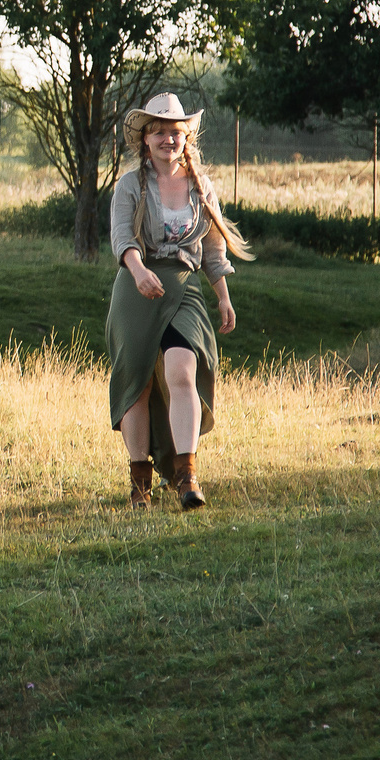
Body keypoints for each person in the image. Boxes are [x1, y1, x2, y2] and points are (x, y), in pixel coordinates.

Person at [105, 92, 252, 510]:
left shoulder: (201, 187)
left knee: (182, 369)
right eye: (161, 132)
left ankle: (187, 476)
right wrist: (138, 271)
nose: (170, 139)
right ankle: (140, 485)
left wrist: (223, 296)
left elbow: (212, 249)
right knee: (137, 381)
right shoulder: (129, 185)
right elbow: (121, 238)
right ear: (146, 139)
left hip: (183, 286)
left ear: (186, 138)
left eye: (177, 132)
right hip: (136, 284)